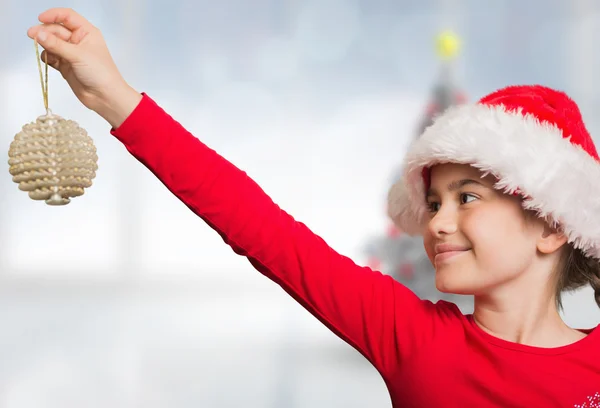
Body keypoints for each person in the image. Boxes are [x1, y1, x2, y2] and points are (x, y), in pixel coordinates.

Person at [27, 8, 600, 407]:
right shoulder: (412, 338)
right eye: (432, 202)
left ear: (550, 225)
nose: (438, 222)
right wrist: (113, 96)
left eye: (467, 197)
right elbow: (259, 226)